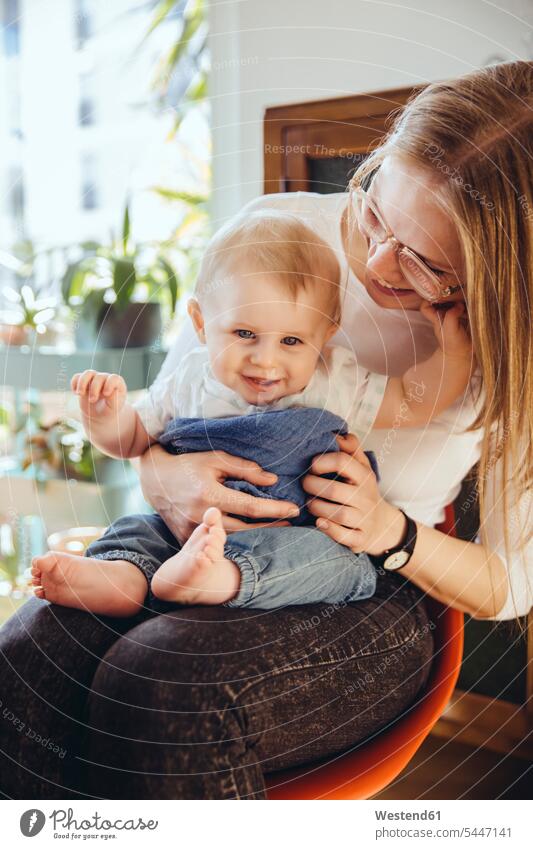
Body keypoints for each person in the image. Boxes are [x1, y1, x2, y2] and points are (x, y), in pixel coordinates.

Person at [0, 61, 531, 800]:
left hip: (361, 578)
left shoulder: (508, 350)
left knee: (161, 680)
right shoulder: (272, 240)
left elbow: (508, 582)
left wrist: (392, 532)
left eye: (424, 260)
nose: (376, 261)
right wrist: (167, 474)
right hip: (194, 534)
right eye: (375, 210)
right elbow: (172, 411)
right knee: (32, 647)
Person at [30, 211, 472, 615]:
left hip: (295, 533)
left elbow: (411, 403)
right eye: (245, 333)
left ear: (327, 332)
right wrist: (104, 416)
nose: (265, 361)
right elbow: (133, 441)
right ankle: (120, 576)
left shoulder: (334, 379)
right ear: (202, 324)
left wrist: (452, 356)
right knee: (138, 529)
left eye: (292, 342)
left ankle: (223, 577)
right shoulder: (191, 377)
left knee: (343, 564)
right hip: (187, 531)